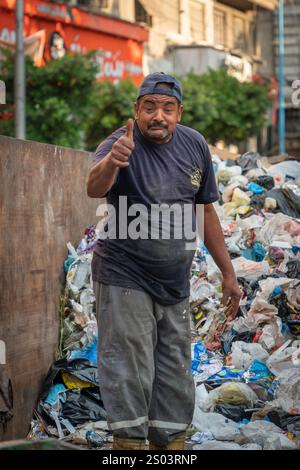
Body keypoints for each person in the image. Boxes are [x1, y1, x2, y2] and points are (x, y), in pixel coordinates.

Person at [87, 72, 241, 451]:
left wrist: (229, 272)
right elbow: (93, 186)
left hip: (174, 282)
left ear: (179, 112)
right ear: (137, 110)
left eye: (168, 108)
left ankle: (170, 447)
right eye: (150, 107)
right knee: (128, 368)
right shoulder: (119, 143)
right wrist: (113, 162)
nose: (159, 116)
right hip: (124, 275)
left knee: (174, 372)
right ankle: (129, 446)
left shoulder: (194, 145)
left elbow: (205, 213)